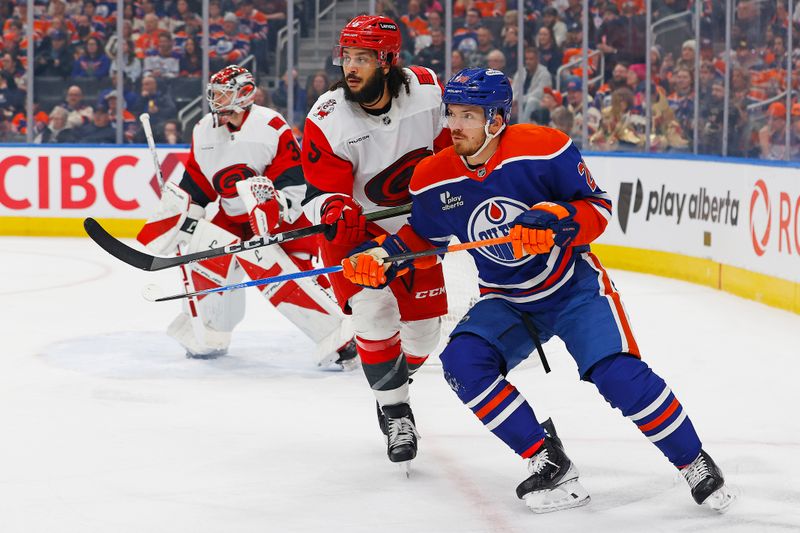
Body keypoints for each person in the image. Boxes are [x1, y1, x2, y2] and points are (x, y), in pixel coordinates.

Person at [340, 67, 735, 513]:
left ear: (497, 119)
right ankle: (547, 459)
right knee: (463, 364)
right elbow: (424, 239)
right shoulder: (432, 176)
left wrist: (558, 218)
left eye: (468, 115)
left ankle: (694, 462)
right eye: (451, 113)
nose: (453, 125)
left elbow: (598, 209)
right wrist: (382, 258)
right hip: (506, 299)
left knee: (617, 375)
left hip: (572, 288)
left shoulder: (544, 149)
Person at [300, 15, 452, 467]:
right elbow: (319, 193)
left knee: (424, 334)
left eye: (362, 58)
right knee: (374, 311)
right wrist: (332, 208)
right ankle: (395, 411)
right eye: (347, 56)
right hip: (358, 231)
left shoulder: (427, 92)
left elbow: (450, 157)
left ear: (387, 61)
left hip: (418, 228)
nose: (350, 67)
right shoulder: (328, 116)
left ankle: (389, 382)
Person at [136, 65, 356, 368]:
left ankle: (342, 335)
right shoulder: (203, 129)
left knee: (288, 275)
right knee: (204, 254)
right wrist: (182, 210)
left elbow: (292, 182)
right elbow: (199, 182)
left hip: (281, 215)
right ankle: (208, 333)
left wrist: (272, 210)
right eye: (214, 93)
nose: (216, 99)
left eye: (223, 92)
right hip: (231, 216)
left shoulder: (271, 126)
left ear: (244, 93)